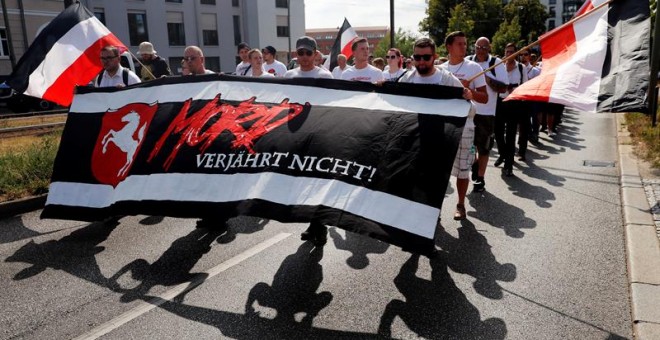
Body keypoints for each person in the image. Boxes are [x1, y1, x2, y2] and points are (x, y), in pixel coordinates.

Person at [284, 36, 332, 246]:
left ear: (315, 54)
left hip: (319, 136)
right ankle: (313, 224)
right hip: (297, 135)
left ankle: (319, 226)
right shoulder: (289, 75)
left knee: (317, 182)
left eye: (308, 53)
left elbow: (335, 105)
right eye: (300, 53)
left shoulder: (325, 75)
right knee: (303, 183)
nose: (304, 57)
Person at [440, 31, 488, 220]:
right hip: (443, 123)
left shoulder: (474, 67)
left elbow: (484, 97)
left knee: (462, 168)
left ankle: (460, 204)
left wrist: (470, 93)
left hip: (465, 122)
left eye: (465, 43)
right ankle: (435, 207)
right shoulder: (440, 69)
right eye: (459, 43)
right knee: (439, 168)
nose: (464, 46)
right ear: (449, 47)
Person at [466, 37, 508, 192]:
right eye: (478, 47)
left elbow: (503, 88)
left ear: (489, 48)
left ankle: (480, 178)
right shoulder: (468, 61)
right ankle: (475, 163)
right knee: (468, 147)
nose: (481, 50)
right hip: (468, 111)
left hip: (487, 113)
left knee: (483, 148)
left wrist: (485, 76)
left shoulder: (496, 63)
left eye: (484, 47)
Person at [495, 43, 528, 176]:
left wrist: (514, 90)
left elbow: (525, 85)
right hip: (500, 101)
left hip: (514, 102)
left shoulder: (521, 68)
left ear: (516, 53)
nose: (509, 54)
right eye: (507, 51)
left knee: (510, 134)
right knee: (497, 132)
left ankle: (509, 164)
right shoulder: (499, 66)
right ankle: (502, 154)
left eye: (512, 52)